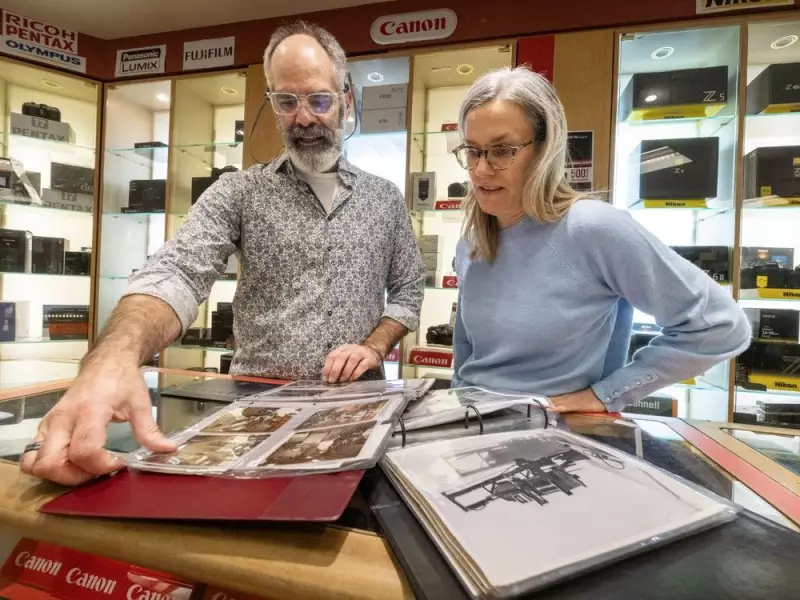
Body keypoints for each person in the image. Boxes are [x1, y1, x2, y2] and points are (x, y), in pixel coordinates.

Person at [20, 20, 425, 486]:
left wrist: (374, 346)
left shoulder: (385, 198)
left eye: (319, 100)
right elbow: (177, 271)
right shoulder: (238, 192)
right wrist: (115, 358)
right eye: (286, 102)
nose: (305, 118)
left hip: (356, 407)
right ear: (271, 105)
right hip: (257, 407)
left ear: (346, 100)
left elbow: (409, 291)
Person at [450, 66, 751, 414]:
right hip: (472, 431)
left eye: (502, 150)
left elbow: (720, 326)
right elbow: (466, 357)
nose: (481, 169)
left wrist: (605, 395)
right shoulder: (473, 240)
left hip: (557, 439)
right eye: (472, 151)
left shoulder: (592, 229)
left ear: (545, 150)